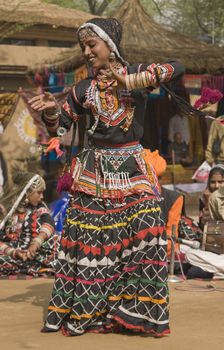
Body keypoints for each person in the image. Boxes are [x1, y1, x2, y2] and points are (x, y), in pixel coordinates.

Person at [29, 17, 185, 337]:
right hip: (93, 172)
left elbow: (177, 66)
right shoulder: (83, 88)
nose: (87, 52)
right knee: (91, 242)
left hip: (132, 169)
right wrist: (48, 111)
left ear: (110, 45)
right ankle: (94, 309)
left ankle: (135, 311)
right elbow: (59, 126)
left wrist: (135, 81)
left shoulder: (134, 73)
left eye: (92, 44)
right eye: (83, 46)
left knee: (148, 229)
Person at [0, 172, 58, 276]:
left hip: (36, 251)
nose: (42, 196)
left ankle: (28, 265)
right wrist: (14, 252)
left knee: (55, 243)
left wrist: (36, 243)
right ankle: (29, 266)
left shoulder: (40, 207)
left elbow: (49, 223)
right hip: (13, 252)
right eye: (39, 192)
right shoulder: (6, 209)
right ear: (26, 192)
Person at [199, 165, 224, 230]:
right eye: (213, 182)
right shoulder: (204, 198)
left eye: (220, 182)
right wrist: (208, 203)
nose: (216, 186)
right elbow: (202, 227)